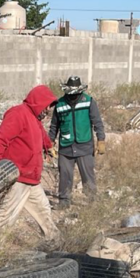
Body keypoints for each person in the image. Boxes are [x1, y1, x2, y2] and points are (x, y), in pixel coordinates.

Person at [0, 85, 60, 240]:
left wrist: (48, 147)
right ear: (38, 102)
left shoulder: (34, 118)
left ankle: (54, 243)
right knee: (7, 217)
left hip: (32, 178)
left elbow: (41, 134)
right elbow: (0, 141)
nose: (48, 109)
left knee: (44, 210)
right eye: (47, 105)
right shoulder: (18, 114)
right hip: (18, 178)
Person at [48, 76, 106, 209]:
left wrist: (101, 140)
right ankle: (64, 202)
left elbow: (97, 122)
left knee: (88, 176)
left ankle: (92, 203)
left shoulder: (89, 101)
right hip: (66, 147)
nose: (73, 96)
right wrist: (50, 143)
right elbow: (54, 126)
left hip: (84, 146)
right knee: (65, 175)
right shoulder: (60, 104)